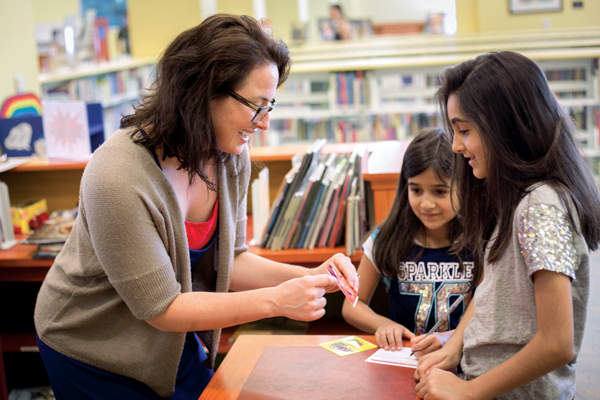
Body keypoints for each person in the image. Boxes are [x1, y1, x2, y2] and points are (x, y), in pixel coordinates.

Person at [33, 14, 358, 400]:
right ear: (202, 92)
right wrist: (276, 301)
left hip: (168, 339)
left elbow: (231, 260)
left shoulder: (228, 150)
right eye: (256, 106)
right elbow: (161, 308)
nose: (264, 123)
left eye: (270, 105)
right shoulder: (115, 175)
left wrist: (309, 275)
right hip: (95, 345)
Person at [415, 51, 600, 399]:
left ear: (506, 127)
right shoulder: (518, 200)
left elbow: (557, 343)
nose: (456, 146)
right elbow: (491, 289)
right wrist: (456, 344)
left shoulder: (539, 206)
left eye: (464, 131)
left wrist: (469, 392)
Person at [342, 128, 475, 357]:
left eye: (440, 192)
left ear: (464, 187)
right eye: (416, 190)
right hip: (405, 359)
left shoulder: (481, 242)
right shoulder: (385, 239)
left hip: (465, 360)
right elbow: (352, 304)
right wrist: (381, 324)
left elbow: (488, 313)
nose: (426, 204)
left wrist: (450, 338)